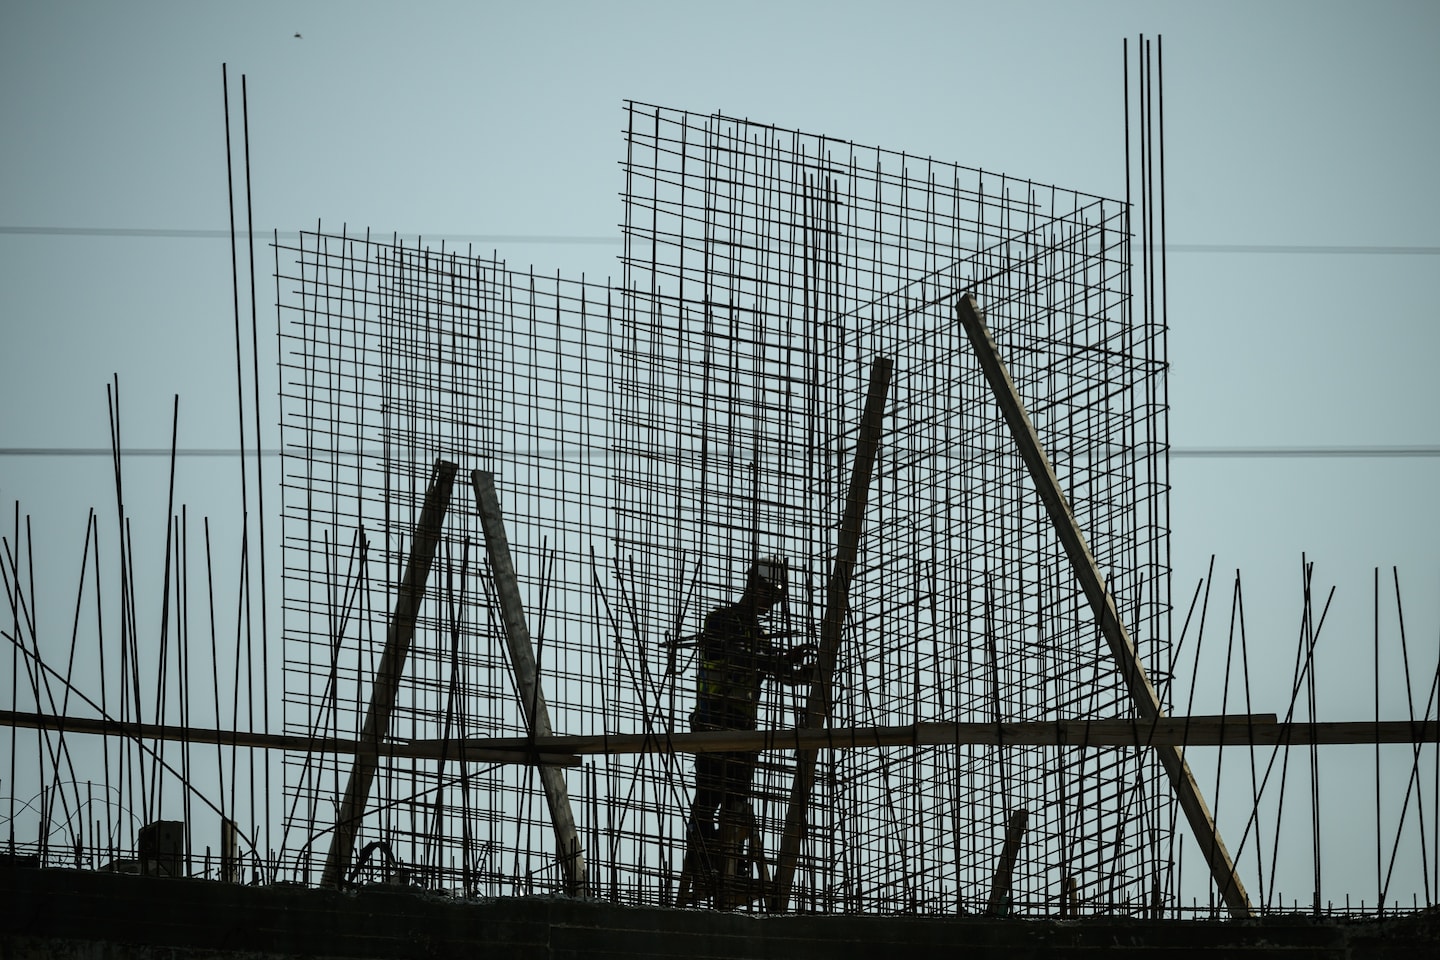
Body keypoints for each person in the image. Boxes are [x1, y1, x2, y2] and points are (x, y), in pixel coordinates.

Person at [687, 556, 815, 865]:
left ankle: (732, 861)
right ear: (753, 586)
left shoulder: (758, 636)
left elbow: (780, 672)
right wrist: (778, 660)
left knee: (737, 800)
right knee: (709, 796)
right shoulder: (720, 620)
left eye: (776, 598)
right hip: (714, 720)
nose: (771, 603)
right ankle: (705, 857)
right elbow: (737, 655)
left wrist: (802, 670)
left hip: (742, 729)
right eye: (769, 594)